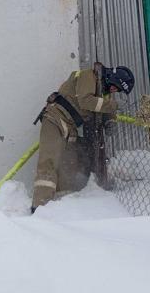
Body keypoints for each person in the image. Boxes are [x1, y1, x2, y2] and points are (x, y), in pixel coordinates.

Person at [31, 63, 134, 211]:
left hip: (70, 129)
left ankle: (59, 207)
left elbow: (102, 106)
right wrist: (114, 105)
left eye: (118, 90)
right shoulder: (88, 76)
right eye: (115, 86)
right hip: (55, 120)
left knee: (69, 167)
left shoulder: (102, 91)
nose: (114, 90)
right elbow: (86, 101)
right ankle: (39, 206)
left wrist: (110, 120)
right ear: (111, 77)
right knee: (49, 162)